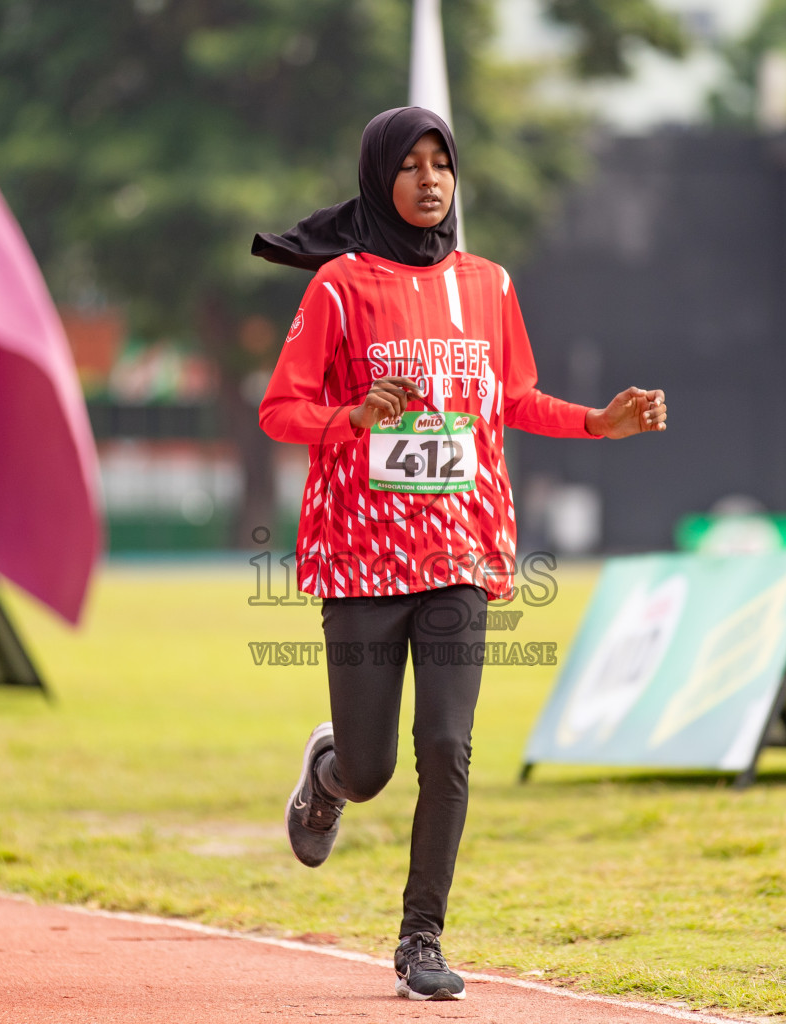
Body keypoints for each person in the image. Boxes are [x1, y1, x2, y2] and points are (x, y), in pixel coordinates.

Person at [253, 106, 666, 1001]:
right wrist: (353, 417)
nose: (431, 179)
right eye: (411, 165)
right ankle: (330, 771)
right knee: (373, 770)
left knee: (447, 746)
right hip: (361, 557)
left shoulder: (490, 283)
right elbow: (278, 409)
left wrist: (596, 422)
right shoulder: (337, 287)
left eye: (442, 162)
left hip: (460, 551)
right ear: (379, 179)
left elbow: (514, 397)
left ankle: (421, 940)